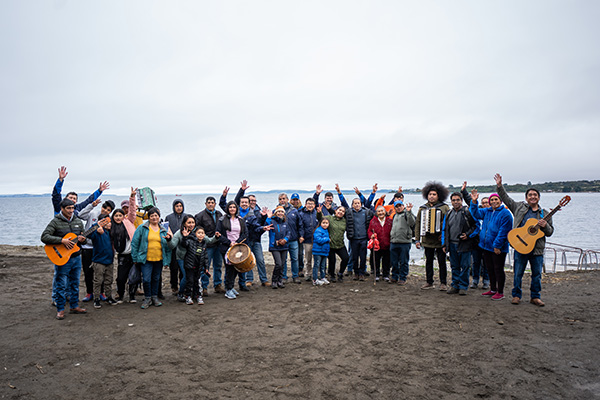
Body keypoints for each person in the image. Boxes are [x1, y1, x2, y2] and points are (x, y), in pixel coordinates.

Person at [495, 174, 554, 307]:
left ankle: (535, 297)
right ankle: (516, 295)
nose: (533, 197)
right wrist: (499, 186)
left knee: (537, 275)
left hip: (537, 249)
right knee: (518, 273)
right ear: (526, 198)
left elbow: (550, 233)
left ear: (539, 197)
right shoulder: (519, 208)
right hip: (520, 246)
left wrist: (546, 226)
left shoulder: (544, 214)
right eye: (530, 195)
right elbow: (506, 198)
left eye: (535, 195)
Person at [41, 198, 88, 320]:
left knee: (75, 284)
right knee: (61, 284)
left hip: (76, 257)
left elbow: (83, 238)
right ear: (62, 209)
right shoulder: (55, 222)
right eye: (68, 208)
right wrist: (61, 240)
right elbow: (44, 236)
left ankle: (74, 306)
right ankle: (60, 309)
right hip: (62, 258)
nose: (71, 210)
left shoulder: (78, 221)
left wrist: (84, 240)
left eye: (72, 208)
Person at [469, 190, 513, 301]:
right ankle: (493, 289)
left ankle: (500, 291)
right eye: (492, 200)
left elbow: (504, 231)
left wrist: (497, 245)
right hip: (486, 246)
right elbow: (475, 213)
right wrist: (474, 201)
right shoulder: (487, 211)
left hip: (498, 248)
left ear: (500, 201)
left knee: (498, 269)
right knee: (489, 269)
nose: (494, 201)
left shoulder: (505, 214)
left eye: (496, 199)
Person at [131, 207, 172, 309]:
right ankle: (147, 298)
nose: (154, 218)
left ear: (159, 217)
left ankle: (154, 297)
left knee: (156, 279)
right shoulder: (142, 228)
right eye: (152, 216)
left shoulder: (163, 229)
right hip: (146, 259)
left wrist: (169, 240)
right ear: (148, 217)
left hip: (159, 259)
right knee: (146, 279)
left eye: (156, 216)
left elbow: (168, 247)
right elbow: (135, 243)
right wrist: (135, 258)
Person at [442, 192, 480, 296]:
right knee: (454, 266)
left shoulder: (468, 212)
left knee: (465, 266)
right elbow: (444, 230)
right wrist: (444, 244)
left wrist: (468, 235)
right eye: (453, 200)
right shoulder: (448, 213)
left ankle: (463, 286)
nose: (455, 202)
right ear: (451, 201)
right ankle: (455, 285)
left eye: (458, 200)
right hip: (452, 244)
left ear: (461, 201)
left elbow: (476, 227)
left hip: (464, 244)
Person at [78, 199, 116, 302]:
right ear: (102, 207)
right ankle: (89, 292)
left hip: (99, 248)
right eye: (105, 208)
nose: (106, 211)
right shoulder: (93, 213)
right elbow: (80, 215)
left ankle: (102, 293)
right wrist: (91, 205)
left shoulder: (108, 220)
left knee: (102, 273)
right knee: (88, 271)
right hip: (87, 247)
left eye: (109, 210)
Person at [415, 181, 450, 291]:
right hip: (427, 240)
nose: (432, 196)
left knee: (441, 262)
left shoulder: (444, 207)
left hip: (440, 240)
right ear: (427, 195)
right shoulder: (422, 208)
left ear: (438, 195)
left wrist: (445, 237)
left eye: (434, 194)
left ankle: (443, 282)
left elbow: (448, 224)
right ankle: (429, 282)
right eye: (430, 194)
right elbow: (418, 224)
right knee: (428, 261)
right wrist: (417, 239)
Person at [216, 201, 249, 299]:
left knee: (236, 268)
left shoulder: (240, 220)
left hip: (238, 247)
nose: (232, 209)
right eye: (230, 207)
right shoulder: (222, 220)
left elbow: (245, 233)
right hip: (227, 247)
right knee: (229, 268)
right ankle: (228, 289)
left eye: (234, 207)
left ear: (236, 208)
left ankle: (231, 287)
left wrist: (237, 243)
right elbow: (218, 234)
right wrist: (229, 242)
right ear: (227, 209)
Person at [460, 182, 490, 290]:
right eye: (484, 202)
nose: (486, 204)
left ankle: (486, 281)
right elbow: (470, 202)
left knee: (486, 263)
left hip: (488, 242)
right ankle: (475, 280)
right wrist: (464, 191)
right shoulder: (478, 212)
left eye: (487, 202)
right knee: (476, 262)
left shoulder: (492, 213)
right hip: (476, 241)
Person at [111, 189, 138, 304]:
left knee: (134, 277)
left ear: (124, 216)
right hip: (122, 255)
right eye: (116, 216)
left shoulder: (129, 221)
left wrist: (132, 197)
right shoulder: (111, 227)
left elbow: (132, 211)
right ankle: (120, 295)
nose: (118, 217)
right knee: (121, 278)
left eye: (120, 215)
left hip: (133, 254)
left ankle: (132, 295)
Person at [195, 197, 225, 295]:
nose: (211, 204)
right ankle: (204, 287)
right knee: (205, 267)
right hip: (207, 245)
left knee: (218, 265)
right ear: (205, 204)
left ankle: (217, 285)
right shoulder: (200, 216)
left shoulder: (219, 214)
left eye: (212, 202)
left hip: (218, 244)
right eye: (209, 203)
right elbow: (197, 230)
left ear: (215, 204)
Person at [88, 216, 117, 309]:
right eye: (107, 222)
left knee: (109, 280)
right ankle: (96, 299)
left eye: (110, 222)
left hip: (110, 261)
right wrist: (96, 225)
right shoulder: (97, 232)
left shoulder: (110, 233)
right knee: (98, 281)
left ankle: (109, 297)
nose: (109, 224)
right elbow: (87, 234)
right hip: (98, 261)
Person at [167, 215, 198, 302]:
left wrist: (216, 237)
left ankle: (191, 292)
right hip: (182, 257)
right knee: (186, 275)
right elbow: (172, 246)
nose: (191, 225)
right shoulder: (179, 233)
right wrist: (169, 240)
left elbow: (207, 240)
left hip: (193, 258)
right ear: (184, 223)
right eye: (189, 223)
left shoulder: (197, 232)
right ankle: (180, 293)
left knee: (195, 275)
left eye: (193, 222)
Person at [181, 227, 214, 305]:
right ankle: (188, 296)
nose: (200, 235)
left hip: (199, 266)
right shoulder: (190, 241)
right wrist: (184, 237)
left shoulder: (204, 244)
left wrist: (206, 267)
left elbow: (205, 257)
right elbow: (183, 245)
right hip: (190, 266)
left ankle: (198, 296)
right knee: (190, 281)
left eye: (202, 233)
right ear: (195, 234)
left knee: (197, 282)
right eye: (199, 233)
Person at [317, 205, 349, 282]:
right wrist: (319, 213)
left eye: (343, 211)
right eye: (339, 210)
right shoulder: (329, 218)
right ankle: (332, 275)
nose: (341, 212)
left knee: (346, 258)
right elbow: (320, 219)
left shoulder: (345, 221)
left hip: (340, 244)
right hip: (330, 245)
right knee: (332, 260)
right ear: (335, 211)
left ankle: (340, 273)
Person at [389, 201, 415, 284]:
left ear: (403, 206)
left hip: (405, 241)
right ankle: (394, 276)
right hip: (394, 241)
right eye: (396, 206)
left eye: (400, 206)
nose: (398, 207)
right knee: (394, 261)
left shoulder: (407, 214)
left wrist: (409, 211)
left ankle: (403, 277)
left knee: (404, 261)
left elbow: (412, 223)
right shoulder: (394, 215)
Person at [165, 199, 186, 296]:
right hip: (173, 246)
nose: (179, 208)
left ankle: (183, 284)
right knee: (173, 268)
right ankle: (174, 286)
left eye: (180, 206)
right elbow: (165, 229)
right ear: (174, 207)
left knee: (183, 268)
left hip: (183, 246)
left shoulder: (186, 217)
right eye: (177, 206)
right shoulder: (169, 217)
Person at [368, 206, 393, 281]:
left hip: (387, 244)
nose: (381, 213)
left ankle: (386, 275)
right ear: (376, 213)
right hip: (376, 245)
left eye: (382, 211)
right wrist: (371, 235)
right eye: (378, 211)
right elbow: (369, 231)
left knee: (387, 261)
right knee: (376, 261)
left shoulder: (390, 220)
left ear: (385, 212)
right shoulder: (373, 221)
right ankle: (377, 275)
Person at [267, 206, 290, 289]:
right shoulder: (272, 221)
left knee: (283, 264)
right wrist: (269, 217)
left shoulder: (285, 222)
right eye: (278, 212)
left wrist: (285, 239)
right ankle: (274, 280)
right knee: (278, 264)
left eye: (282, 212)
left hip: (284, 246)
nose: (280, 213)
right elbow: (267, 225)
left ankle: (280, 280)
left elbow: (288, 232)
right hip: (274, 246)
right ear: (276, 213)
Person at [298, 197, 318, 282]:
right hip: (307, 240)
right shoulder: (301, 214)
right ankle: (308, 274)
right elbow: (300, 226)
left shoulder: (317, 213)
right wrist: (301, 236)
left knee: (317, 258)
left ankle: (316, 274)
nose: (310, 205)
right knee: (308, 259)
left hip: (316, 240)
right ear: (305, 204)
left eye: (312, 204)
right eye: (308, 204)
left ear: (314, 205)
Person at [312, 218, 331, 285]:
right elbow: (318, 240)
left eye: (326, 223)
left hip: (324, 251)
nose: (325, 224)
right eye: (323, 223)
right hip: (317, 251)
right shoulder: (318, 230)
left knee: (323, 265)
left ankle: (322, 277)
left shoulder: (326, 231)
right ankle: (315, 279)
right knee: (316, 265)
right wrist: (327, 239)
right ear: (320, 223)